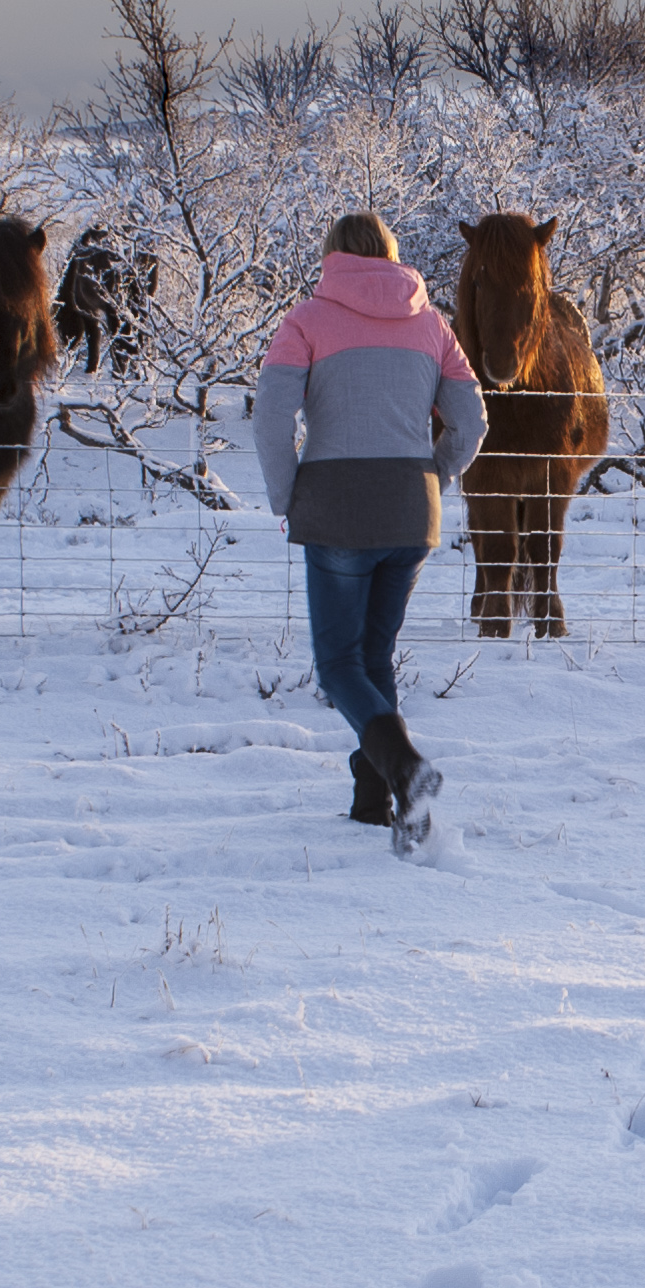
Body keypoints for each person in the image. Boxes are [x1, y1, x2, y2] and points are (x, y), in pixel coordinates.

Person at [254, 212, 485, 848]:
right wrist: (432, 475)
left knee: (336, 664)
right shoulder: (433, 324)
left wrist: (287, 493)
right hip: (412, 510)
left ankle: (406, 768)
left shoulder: (306, 320)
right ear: (391, 255)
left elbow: (271, 417)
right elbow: (471, 421)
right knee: (373, 655)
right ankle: (372, 803)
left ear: (332, 256)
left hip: (337, 506)